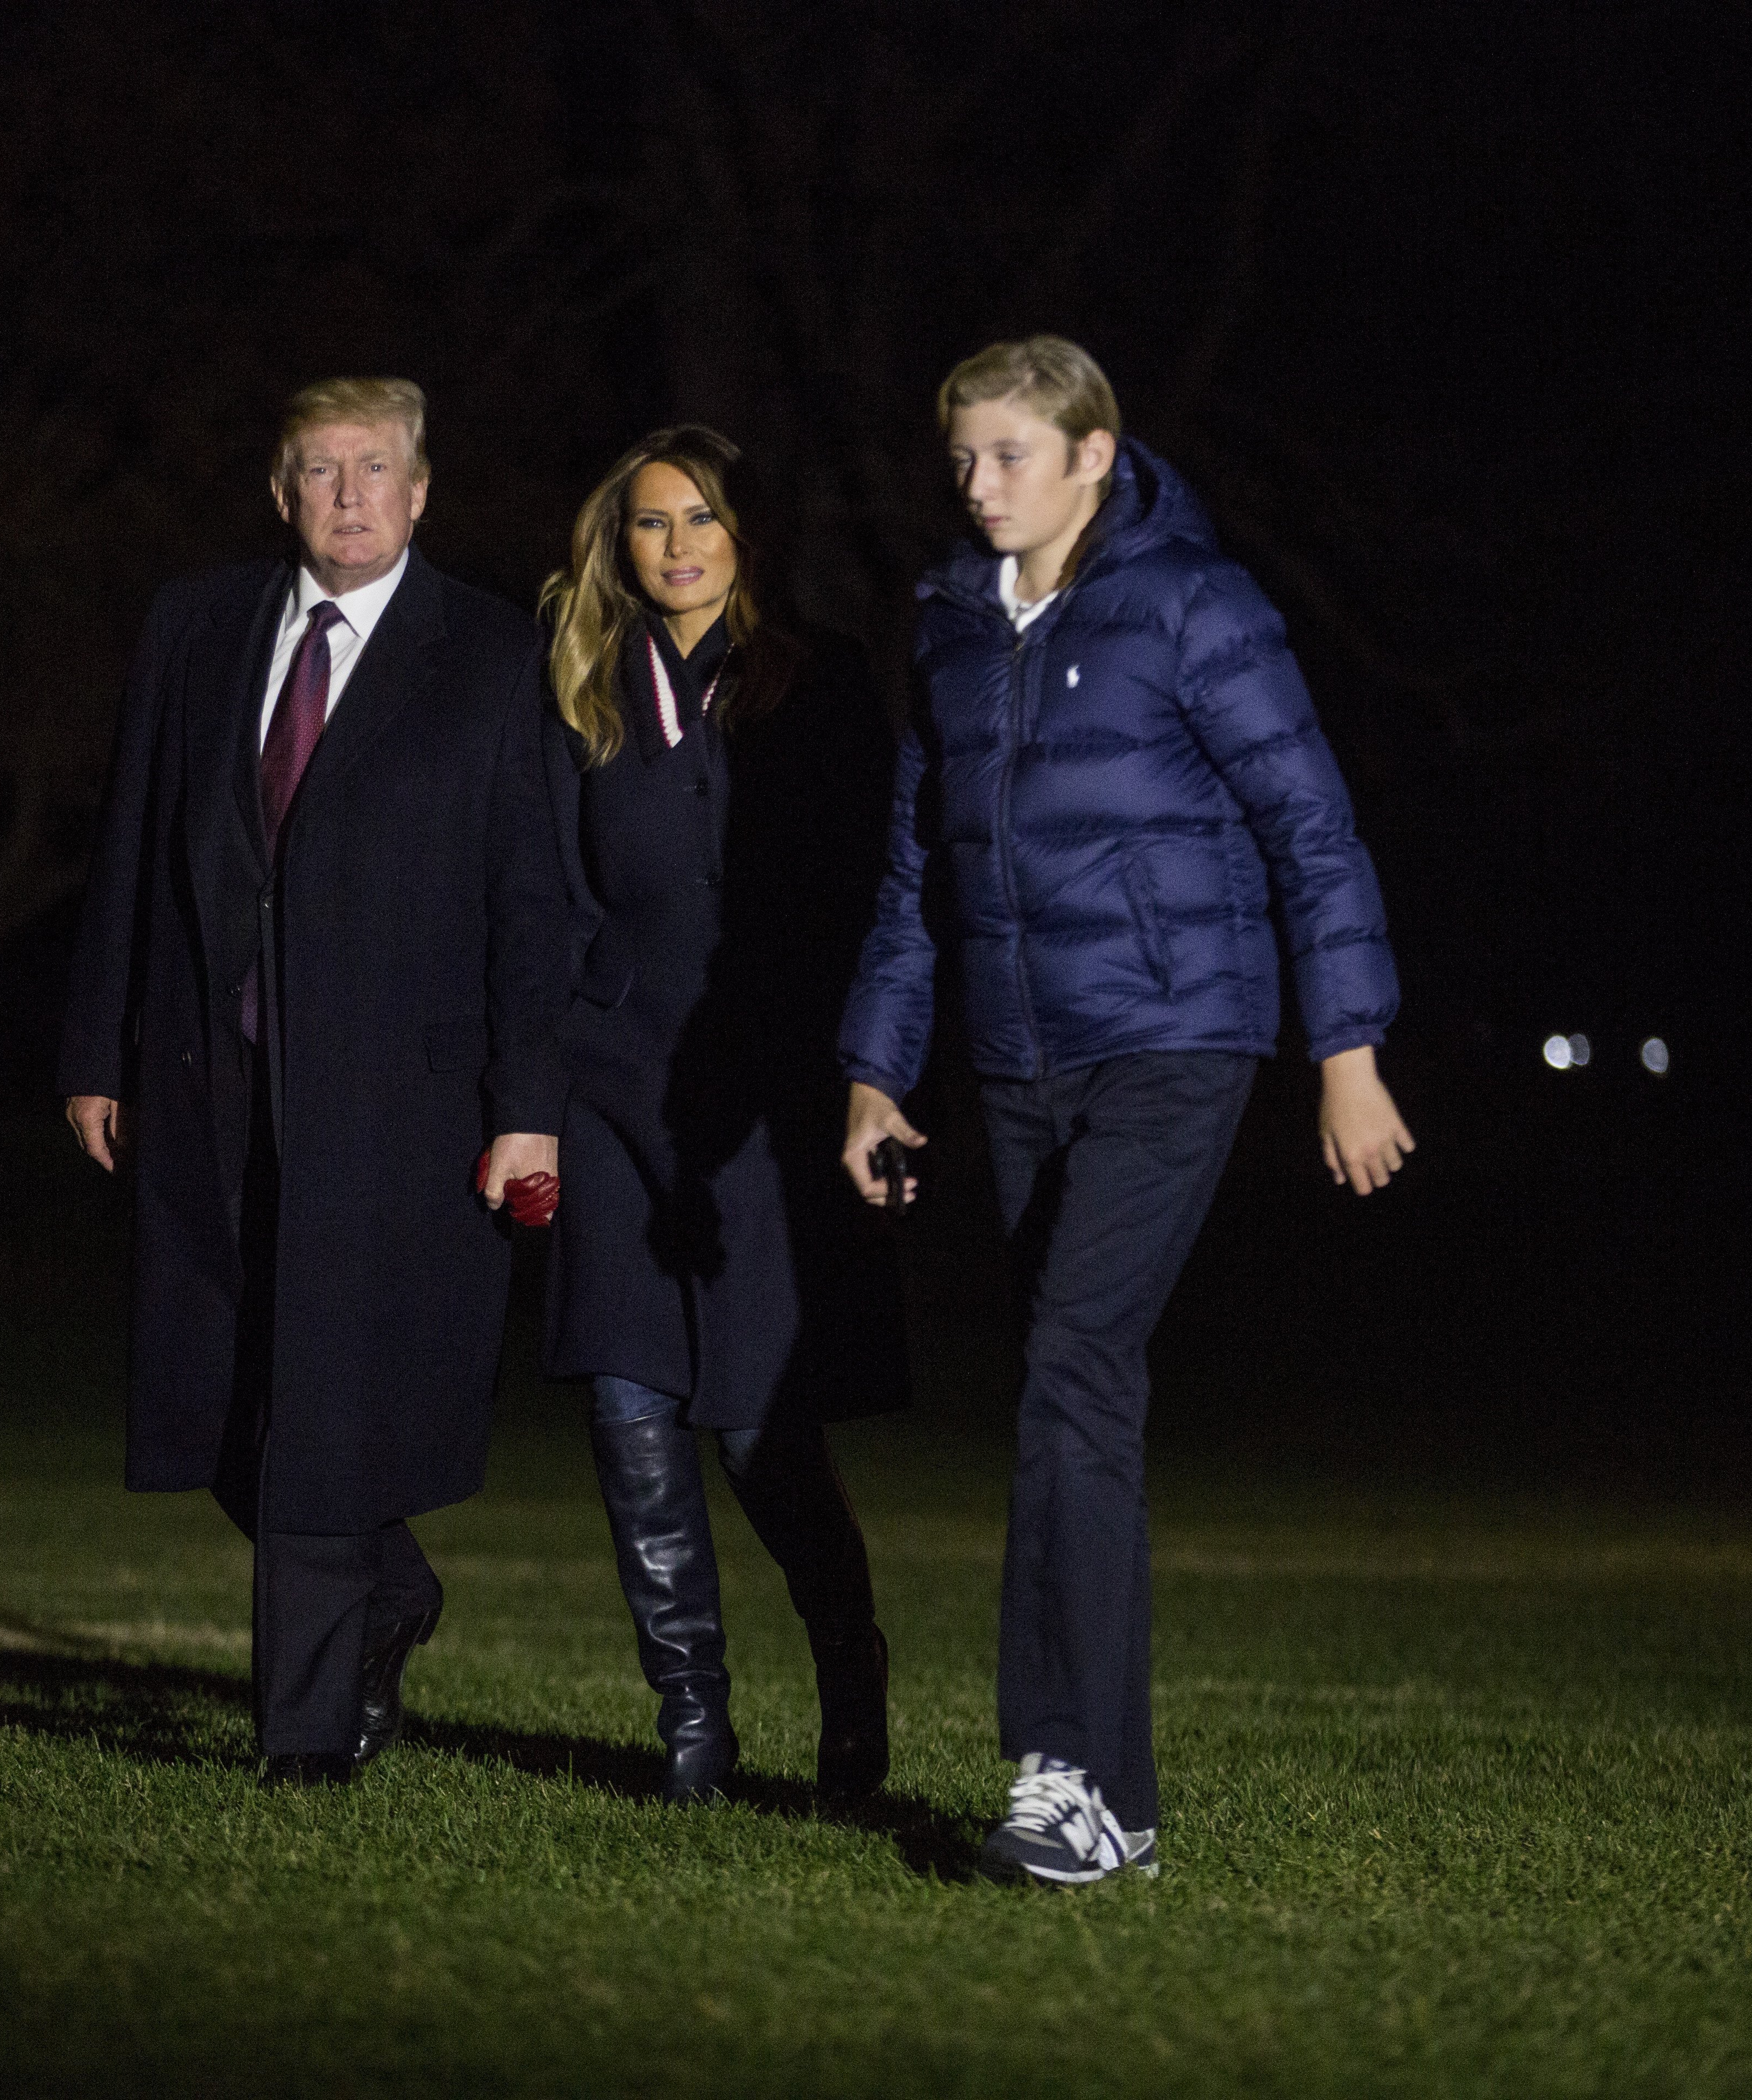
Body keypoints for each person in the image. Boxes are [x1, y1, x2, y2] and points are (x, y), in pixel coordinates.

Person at [837, 336, 1413, 1885]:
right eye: (961, 460)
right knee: (1078, 1401)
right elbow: (918, 877)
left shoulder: (1193, 605)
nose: (978, 487)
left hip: (1178, 1042)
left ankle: (1059, 1773)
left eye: (1009, 457)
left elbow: (1313, 825)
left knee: (1068, 1373)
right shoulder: (952, 629)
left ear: (1096, 454)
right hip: (1017, 1065)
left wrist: (1345, 1046)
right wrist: (874, 1072)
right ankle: (1123, 1806)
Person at [58, 377, 567, 1787]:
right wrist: (97, 1047)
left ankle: (305, 1734)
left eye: (375, 469)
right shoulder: (197, 627)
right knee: (216, 1393)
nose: (349, 495)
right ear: (281, 493)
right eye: (320, 471)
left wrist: (527, 1104)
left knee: (324, 1400)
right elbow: (133, 845)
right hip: (209, 1080)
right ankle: (388, 1593)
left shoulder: (491, 653)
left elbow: (532, 902)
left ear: (419, 494)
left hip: (398, 1101)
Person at [538, 427, 907, 1805]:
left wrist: (866, 1069)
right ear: (617, 542)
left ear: (746, 534)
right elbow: (551, 898)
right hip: (610, 1090)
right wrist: (560, 1051)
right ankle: (692, 1727)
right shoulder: (580, 689)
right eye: (650, 522)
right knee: (630, 1409)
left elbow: (873, 896)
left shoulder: (819, 686)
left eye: (702, 518)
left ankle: (850, 1687)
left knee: (759, 1427)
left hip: (760, 1094)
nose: (677, 544)